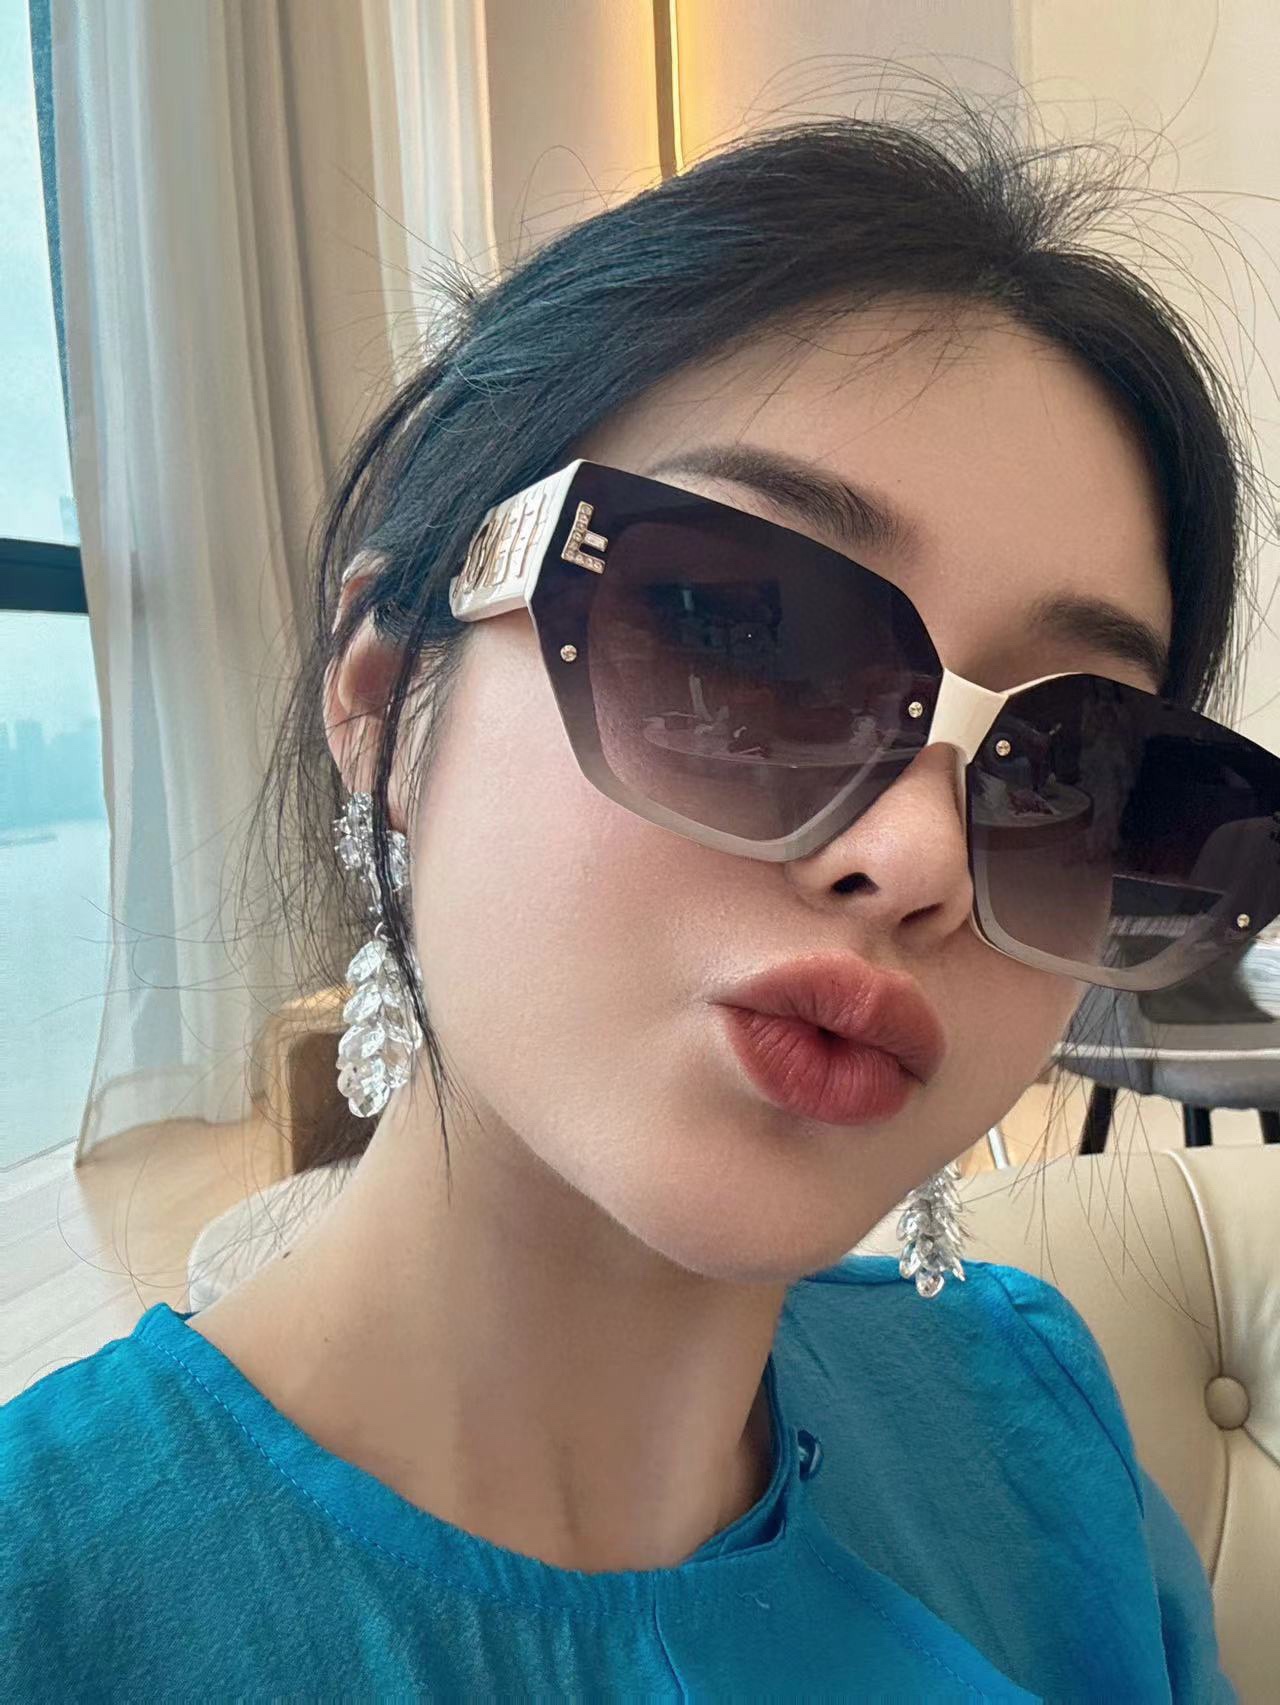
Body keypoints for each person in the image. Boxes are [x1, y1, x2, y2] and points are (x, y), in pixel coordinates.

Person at [6, 94, 1270, 1700]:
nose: (919, 858)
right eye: (743, 637)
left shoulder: (1045, 1432)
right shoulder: (50, 1607)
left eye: (1077, 767)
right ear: (386, 703)